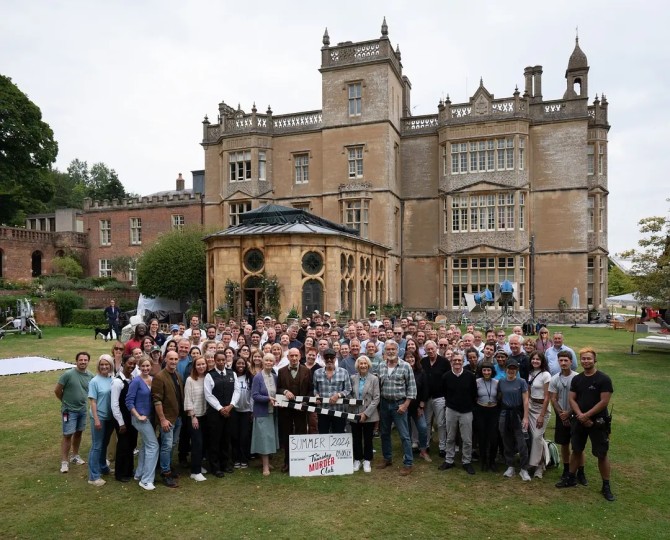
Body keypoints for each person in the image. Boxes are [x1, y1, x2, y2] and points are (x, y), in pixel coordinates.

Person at [556, 347, 615, 501]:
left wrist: (587, 415)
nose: (586, 361)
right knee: (576, 450)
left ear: (595, 360)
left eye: (589, 358)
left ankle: (606, 486)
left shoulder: (604, 379)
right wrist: (580, 416)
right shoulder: (577, 379)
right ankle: (570, 478)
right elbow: (572, 399)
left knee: (601, 454)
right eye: (583, 358)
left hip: (598, 422)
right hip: (579, 421)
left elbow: (604, 402)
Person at [376, 340, 417, 476]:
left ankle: (408, 463)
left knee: (404, 435)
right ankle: (387, 458)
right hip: (384, 404)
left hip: (399, 404)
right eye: (388, 349)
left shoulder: (405, 366)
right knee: (384, 433)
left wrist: (405, 405)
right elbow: (378, 386)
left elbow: (412, 388)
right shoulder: (381, 366)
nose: (390, 351)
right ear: (384, 351)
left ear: (398, 351)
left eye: (393, 349)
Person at [549, 350, 585, 484]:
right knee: (564, 444)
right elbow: (553, 398)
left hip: (576, 415)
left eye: (566, 360)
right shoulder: (554, 379)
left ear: (571, 362)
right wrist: (562, 415)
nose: (563, 363)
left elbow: (580, 399)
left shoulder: (578, 377)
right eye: (561, 360)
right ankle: (566, 469)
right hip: (561, 416)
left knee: (578, 446)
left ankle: (581, 471)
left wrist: (569, 413)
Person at [438, 352, 477, 475]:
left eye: (459, 360)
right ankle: (449, 460)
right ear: (451, 361)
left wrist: (468, 405)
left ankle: (466, 461)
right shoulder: (446, 376)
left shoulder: (470, 376)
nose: (457, 362)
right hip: (451, 410)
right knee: (450, 437)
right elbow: (444, 392)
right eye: (455, 360)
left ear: (463, 361)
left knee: (467, 439)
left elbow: (474, 393)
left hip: (466, 411)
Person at [55, 352, 93, 473]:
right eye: (81, 360)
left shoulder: (90, 376)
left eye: (85, 360)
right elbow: (57, 390)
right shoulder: (68, 374)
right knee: (67, 434)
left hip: (82, 410)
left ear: (88, 361)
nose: (83, 362)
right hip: (68, 411)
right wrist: (65, 402)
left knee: (78, 433)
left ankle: (75, 456)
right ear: (76, 361)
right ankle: (64, 461)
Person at [126, 358, 159, 491]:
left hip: (150, 418)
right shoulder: (136, 381)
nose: (145, 368)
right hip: (140, 419)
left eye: (148, 366)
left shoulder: (152, 379)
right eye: (143, 366)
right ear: (139, 367)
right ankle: (146, 480)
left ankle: (139, 473)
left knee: (146, 445)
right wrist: (138, 416)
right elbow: (129, 401)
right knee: (153, 446)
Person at [277, 348, 312, 472]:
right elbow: (278, 388)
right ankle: (287, 462)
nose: (294, 358)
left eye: (296, 355)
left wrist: (305, 401)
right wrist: (285, 391)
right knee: (287, 435)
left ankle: (301, 462)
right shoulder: (281, 371)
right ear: (288, 357)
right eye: (291, 356)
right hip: (285, 410)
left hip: (301, 409)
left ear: (300, 356)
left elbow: (310, 390)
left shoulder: (307, 371)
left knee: (301, 434)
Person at [152, 350, 183, 488]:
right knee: (167, 445)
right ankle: (165, 473)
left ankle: (167, 466)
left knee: (173, 444)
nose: (173, 361)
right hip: (167, 419)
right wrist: (162, 419)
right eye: (171, 359)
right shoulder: (159, 377)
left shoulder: (177, 375)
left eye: (176, 359)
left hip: (178, 417)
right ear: (165, 359)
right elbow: (157, 400)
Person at [204, 350, 236, 477]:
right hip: (215, 413)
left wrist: (231, 405)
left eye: (223, 360)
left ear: (226, 360)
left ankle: (225, 464)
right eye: (218, 360)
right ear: (214, 360)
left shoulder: (232, 373)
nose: (221, 362)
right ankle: (215, 467)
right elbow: (208, 395)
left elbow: (237, 391)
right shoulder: (209, 375)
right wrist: (220, 408)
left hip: (229, 411)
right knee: (215, 440)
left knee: (226, 439)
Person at [498, 358, 531, 481]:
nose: (511, 371)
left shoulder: (521, 382)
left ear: (517, 370)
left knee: (522, 442)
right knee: (507, 440)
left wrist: (526, 417)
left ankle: (524, 468)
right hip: (504, 414)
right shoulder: (501, 382)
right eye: (509, 368)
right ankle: (510, 466)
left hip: (518, 414)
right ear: (505, 369)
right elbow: (499, 397)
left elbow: (526, 400)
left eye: (514, 369)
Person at [87, 354, 115, 486]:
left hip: (110, 417)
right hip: (99, 417)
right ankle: (93, 476)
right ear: (98, 366)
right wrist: (97, 419)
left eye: (106, 364)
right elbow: (93, 402)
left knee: (104, 443)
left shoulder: (112, 379)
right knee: (97, 446)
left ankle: (103, 467)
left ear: (110, 366)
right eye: (102, 364)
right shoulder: (94, 381)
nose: (104, 367)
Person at [251, 353, 280, 476]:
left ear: (274, 363)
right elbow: (255, 395)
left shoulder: (275, 377)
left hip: (273, 412)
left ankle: (267, 462)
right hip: (262, 412)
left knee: (270, 438)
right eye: (266, 360)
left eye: (271, 361)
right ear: (263, 362)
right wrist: (268, 399)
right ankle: (265, 466)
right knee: (263, 439)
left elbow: (278, 393)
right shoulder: (257, 377)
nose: (268, 362)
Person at [350, 355, 380, 473]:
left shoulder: (374, 379)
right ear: (357, 365)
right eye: (361, 363)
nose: (363, 365)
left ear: (368, 365)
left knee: (368, 438)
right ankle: (357, 459)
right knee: (356, 438)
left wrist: (366, 414)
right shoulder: (352, 378)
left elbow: (376, 398)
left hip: (369, 414)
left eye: (365, 363)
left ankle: (367, 460)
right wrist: (353, 405)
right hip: (355, 413)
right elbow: (349, 394)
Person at [421, 340, 450, 458]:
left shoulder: (444, 362)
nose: (430, 351)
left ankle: (442, 447)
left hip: (440, 397)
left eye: (432, 349)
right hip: (427, 397)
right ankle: (426, 444)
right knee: (427, 422)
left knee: (441, 423)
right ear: (425, 350)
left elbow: (448, 379)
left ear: (436, 348)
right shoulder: (423, 362)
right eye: (428, 349)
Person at [111, 354, 137, 482]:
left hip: (132, 418)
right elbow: (114, 404)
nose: (131, 366)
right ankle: (120, 473)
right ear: (123, 364)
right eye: (129, 363)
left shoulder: (133, 379)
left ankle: (129, 470)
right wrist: (121, 423)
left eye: (134, 364)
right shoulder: (117, 382)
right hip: (122, 418)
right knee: (123, 445)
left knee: (131, 444)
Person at [313, 348, 352, 434]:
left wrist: (338, 395)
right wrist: (316, 395)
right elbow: (315, 388)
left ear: (335, 358)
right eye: (327, 357)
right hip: (322, 409)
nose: (329, 360)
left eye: (331, 357)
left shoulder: (344, 372)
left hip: (339, 409)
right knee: (323, 433)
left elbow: (348, 389)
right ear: (323, 358)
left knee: (338, 433)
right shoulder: (317, 373)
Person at [527, 351, 552, 478]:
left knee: (537, 436)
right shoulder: (530, 373)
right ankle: (540, 464)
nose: (535, 361)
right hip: (531, 407)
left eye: (538, 359)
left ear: (542, 361)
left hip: (542, 409)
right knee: (536, 438)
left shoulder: (546, 375)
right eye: (533, 359)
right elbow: (529, 391)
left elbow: (548, 397)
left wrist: (542, 415)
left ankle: (536, 465)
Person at [184, 355, 209, 482]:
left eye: (203, 364)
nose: (201, 366)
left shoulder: (207, 378)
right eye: (198, 364)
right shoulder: (190, 380)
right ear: (194, 366)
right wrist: (193, 416)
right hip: (195, 416)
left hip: (205, 415)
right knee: (197, 443)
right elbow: (188, 399)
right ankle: (195, 472)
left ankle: (198, 465)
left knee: (203, 443)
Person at [406, 349, 431, 462]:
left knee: (423, 428)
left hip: (416, 406)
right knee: (406, 430)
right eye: (407, 357)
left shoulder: (421, 372)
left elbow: (425, 389)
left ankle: (423, 451)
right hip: (404, 406)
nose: (410, 359)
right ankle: (407, 452)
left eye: (412, 357)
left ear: (415, 359)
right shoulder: (401, 371)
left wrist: (421, 406)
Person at [474, 360, 499, 472]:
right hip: (481, 411)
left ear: (492, 371)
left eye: (488, 370)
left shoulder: (497, 382)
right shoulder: (477, 382)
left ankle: (492, 461)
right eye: (484, 370)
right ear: (481, 371)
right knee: (482, 437)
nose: (486, 372)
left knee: (493, 438)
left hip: (493, 411)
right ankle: (483, 461)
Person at [230, 357, 253, 469]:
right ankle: (236, 458)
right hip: (234, 410)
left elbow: (252, 394)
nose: (241, 365)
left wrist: (252, 410)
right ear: (234, 364)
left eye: (243, 363)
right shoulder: (231, 376)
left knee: (244, 436)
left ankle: (244, 459)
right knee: (235, 435)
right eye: (238, 363)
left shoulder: (250, 377)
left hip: (246, 411)